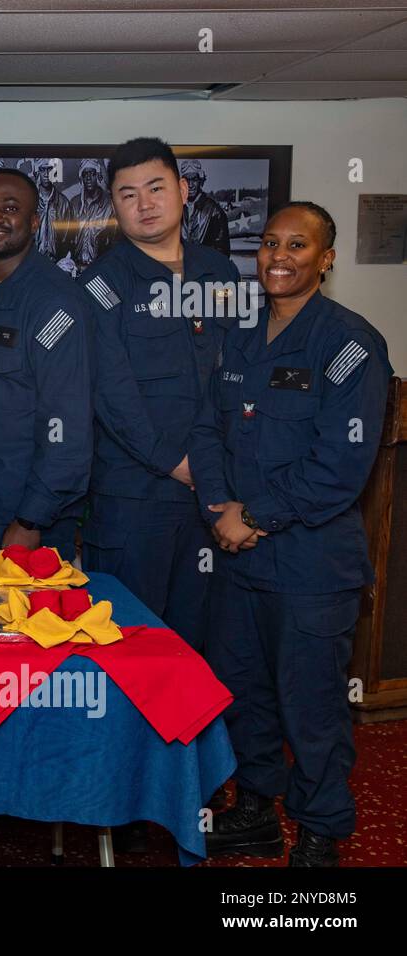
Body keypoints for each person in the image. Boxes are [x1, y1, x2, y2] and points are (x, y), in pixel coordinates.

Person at [190, 202, 391, 867]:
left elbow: (341, 466)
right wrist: (222, 505)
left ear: (326, 260)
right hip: (238, 556)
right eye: (271, 242)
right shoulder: (240, 335)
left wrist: (254, 517)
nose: (278, 255)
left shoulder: (350, 344)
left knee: (311, 705)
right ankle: (254, 812)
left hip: (309, 564)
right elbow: (208, 430)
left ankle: (318, 833)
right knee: (243, 689)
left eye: (298, 245)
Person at [78, 137, 240, 654]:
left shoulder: (220, 273)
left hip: (216, 494)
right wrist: (178, 463)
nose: (144, 204)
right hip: (136, 499)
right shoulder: (102, 284)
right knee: (131, 645)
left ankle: (198, 740)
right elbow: (111, 392)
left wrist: (218, 469)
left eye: (155, 188)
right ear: (114, 205)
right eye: (128, 194)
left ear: (183, 190)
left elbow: (236, 374)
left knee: (203, 643)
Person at [0, 168, 92, 566]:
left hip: (21, 513)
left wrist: (31, 518)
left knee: (26, 626)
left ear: (34, 221)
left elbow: (67, 423)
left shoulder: (55, 301)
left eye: (10, 208)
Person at [180, 159, 232, 259]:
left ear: (200, 181)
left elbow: (222, 252)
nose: (190, 185)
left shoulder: (214, 211)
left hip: (204, 271)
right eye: (187, 180)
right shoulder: (175, 208)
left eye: (194, 179)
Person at [72, 158, 117, 270]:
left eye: (92, 173)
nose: (88, 177)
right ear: (81, 177)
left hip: (101, 267)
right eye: (85, 173)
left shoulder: (109, 205)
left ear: (97, 175)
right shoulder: (74, 203)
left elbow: (114, 239)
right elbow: (67, 237)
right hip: (77, 267)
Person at [30, 157, 77, 264]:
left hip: (56, 263)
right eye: (42, 169)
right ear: (37, 172)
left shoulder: (63, 203)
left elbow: (69, 237)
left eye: (49, 169)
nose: (46, 174)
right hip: (31, 263)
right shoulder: (29, 200)